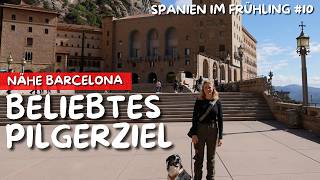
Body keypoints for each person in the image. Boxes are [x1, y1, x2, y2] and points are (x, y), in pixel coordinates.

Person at [188, 80, 223, 180]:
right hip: (200, 130)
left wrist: (220, 137)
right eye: (206, 87)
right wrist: (194, 134)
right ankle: (197, 178)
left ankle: (210, 178)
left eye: (210, 87)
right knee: (199, 157)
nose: (208, 89)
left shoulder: (217, 102)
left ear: (213, 88)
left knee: (211, 158)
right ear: (203, 89)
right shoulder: (199, 101)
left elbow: (220, 120)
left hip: (213, 130)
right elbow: (194, 118)